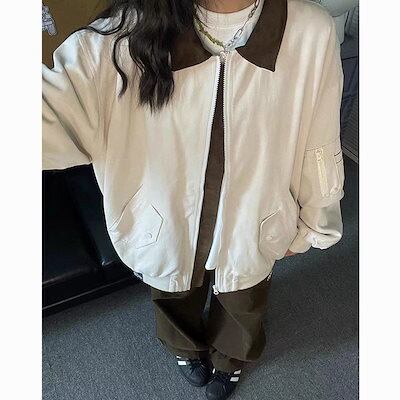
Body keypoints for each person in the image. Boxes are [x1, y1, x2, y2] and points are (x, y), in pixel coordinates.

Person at [42, 0, 345, 399]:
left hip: (256, 221)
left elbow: (319, 142)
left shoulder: (309, 31)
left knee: (244, 300)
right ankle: (184, 347)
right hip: (163, 225)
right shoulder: (118, 40)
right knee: (173, 294)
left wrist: (315, 223)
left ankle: (231, 358)